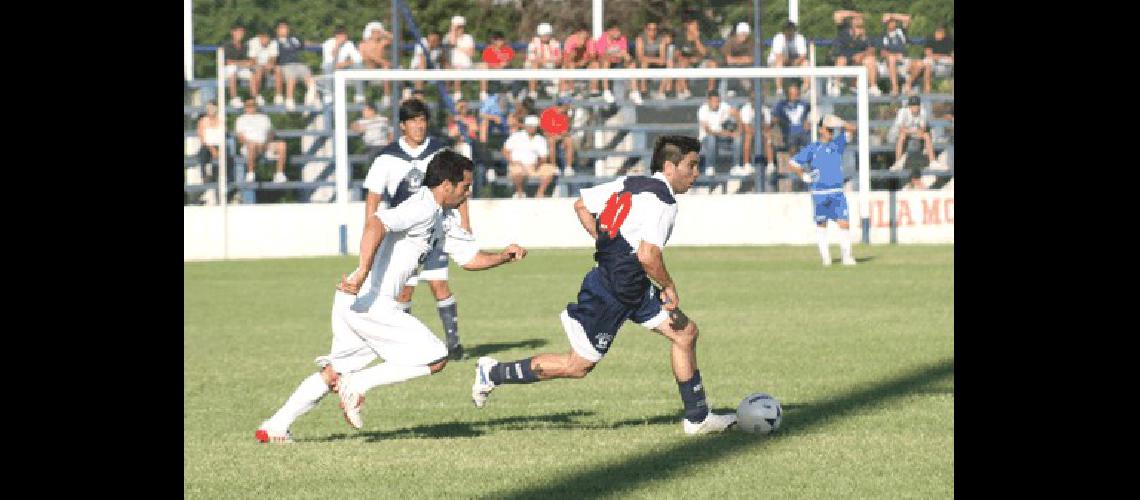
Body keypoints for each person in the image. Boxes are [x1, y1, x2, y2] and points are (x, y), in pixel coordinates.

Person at [470, 135, 738, 436]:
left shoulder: (631, 182)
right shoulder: (663, 203)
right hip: (611, 292)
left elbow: (581, 206)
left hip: (631, 285)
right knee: (577, 366)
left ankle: (697, 417)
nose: (696, 173)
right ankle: (493, 372)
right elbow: (649, 256)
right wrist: (669, 286)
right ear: (670, 166)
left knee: (685, 334)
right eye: (691, 165)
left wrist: (609, 246)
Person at [255, 151, 529, 442]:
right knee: (436, 357)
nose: (468, 193)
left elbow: (470, 258)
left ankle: (275, 426)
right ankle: (358, 384)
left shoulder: (443, 217)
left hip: (355, 302)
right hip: (371, 302)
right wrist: (362, 272)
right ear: (447, 185)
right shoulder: (422, 207)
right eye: (465, 186)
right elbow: (376, 222)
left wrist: (503, 257)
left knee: (334, 372)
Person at [366, 99, 473, 361]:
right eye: (413, 121)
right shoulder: (387, 158)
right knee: (404, 291)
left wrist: (465, 222)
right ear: (402, 125)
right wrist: (369, 233)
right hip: (403, 237)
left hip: (436, 230)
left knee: (439, 284)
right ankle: (400, 346)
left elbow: (460, 191)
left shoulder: (440, 153)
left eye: (423, 120)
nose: (419, 126)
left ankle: (454, 345)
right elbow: (373, 199)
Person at [785, 115, 859, 266]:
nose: (830, 132)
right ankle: (826, 258)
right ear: (820, 130)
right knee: (821, 224)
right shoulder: (813, 148)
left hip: (837, 191)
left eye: (831, 130)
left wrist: (840, 122)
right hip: (819, 193)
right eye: (827, 129)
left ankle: (847, 256)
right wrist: (803, 175)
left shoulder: (837, 145)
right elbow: (792, 163)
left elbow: (853, 129)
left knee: (844, 223)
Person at [234, 98, 288, 183]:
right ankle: (250, 173)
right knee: (252, 145)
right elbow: (240, 138)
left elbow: (270, 133)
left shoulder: (264, 117)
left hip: (265, 145)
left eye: (253, 105)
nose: (251, 108)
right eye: (248, 106)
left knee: (282, 145)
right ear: (245, 107)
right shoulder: (241, 119)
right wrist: (254, 144)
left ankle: (279, 174)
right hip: (250, 147)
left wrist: (266, 143)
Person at [504, 115, 558, 198]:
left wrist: (537, 164)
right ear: (525, 126)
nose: (531, 128)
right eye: (529, 126)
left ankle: (540, 193)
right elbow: (505, 151)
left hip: (534, 166)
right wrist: (512, 161)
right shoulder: (516, 136)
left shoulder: (540, 139)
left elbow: (543, 157)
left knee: (550, 169)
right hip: (518, 165)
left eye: (533, 126)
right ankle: (520, 193)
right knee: (517, 170)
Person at [274, 20, 319, 111]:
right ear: (277, 30)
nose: (284, 30)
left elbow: (304, 44)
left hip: (297, 63)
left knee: (309, 77)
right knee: (292, 76)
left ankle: (316, 99)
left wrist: (319, 45)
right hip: (285, 64)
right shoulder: (275, 42)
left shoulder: (293, 39)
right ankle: (289, 100)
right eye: (282, 28)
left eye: (286, 28)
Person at [831, 11, 879, 96]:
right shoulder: (844, 29)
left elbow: (872, 50)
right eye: (855, 19)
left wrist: (862, 55)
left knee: (871, 59)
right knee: (841, 60)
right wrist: (855, 14)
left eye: (860, 19)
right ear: (851, 21)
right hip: (846, 58)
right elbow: (837, 15)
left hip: (860, 59)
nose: (858, 20)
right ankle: (837, 86)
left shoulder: (867, 34)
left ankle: (873, 87)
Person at [893, 95, 935, 189]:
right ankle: (898, 162)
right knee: (902, 136)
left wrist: (915, 132)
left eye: (916, 105)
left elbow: (922, 129)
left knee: (927, 136)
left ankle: (933, 161)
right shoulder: (903, 112)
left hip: (914, 134)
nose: (915, 107)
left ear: (919, 106)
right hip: (898, 135)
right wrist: (914, 132)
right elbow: (901, 129)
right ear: (909, 106)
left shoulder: (923, 112)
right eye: (912, 105)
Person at [595, 19, 639, 104]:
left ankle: (634, 91)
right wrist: (616, 55)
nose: (618, 33)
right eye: (616, 31)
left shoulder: (622, 39)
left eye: (619, 30)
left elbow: (624, 53)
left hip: (619, 62)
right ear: (609, 31)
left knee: (631, 63)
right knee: (606, 62)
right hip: (607, 63)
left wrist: (625, 57)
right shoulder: (602, 39)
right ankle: (606, 91)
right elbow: (602, 55)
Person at [773, 83, 811, 185]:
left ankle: (813, 171)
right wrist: (779, 124)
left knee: (813, 144)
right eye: (792, 93)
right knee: (792, 147)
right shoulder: (781, 105)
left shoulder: (804, 104)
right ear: (788, 94)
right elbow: (775, 118)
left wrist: (808, 121)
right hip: (789, 132)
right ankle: (799, 173)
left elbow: (811, 115)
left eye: (796, 93)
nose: (795, 95)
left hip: (804, 133)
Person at [697, 90, 741, 176]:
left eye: (718, 101)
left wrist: (739, 130)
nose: (716, 104)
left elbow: (736, 113)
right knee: (711, 139)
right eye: (714, 101)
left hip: (722, 137)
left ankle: (736, 166)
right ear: (708, 101)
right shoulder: (702, 110)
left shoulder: (723, 106)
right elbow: (708, 131)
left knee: (738, 138)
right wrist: (727, 134)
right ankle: (710, 167)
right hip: (707, 139)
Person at [673, 18, 718, 98]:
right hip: (686, 64)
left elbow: (704, 53)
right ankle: (685, 91)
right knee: (682, 62)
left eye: (696, 25)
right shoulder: (681, 37)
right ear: (687, 26)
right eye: (693, 25)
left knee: (713, 64)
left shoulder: (701, 36)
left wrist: (697, 39)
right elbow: (676, 55)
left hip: (700, 63)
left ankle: (710, 92)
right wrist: (688, 59)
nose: (695, 27)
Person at [321, 25, 365, 104]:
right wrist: (337, 46)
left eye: (345, 35)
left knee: (358, 65)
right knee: (328, 66)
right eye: (342, 35)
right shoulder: (328, 43)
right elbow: (329, 60)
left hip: (344, 68)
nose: (344, 37)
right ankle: (328, 94)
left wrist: (345, 63)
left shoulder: (349, 44)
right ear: (337, 36)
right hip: (331, 68)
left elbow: (358, 59)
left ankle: (359, 94)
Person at [905, 25, 953, 95]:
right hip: (931, 61)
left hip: (943, 64)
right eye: (937, 33)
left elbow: (952, 56)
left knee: (922, 65)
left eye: (940, 33)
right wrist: (942, 56)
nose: (938, 35)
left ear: (944, 34)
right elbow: (928, 54)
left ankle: (911, 84)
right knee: (925, 65)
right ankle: (925, 89)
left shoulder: (949, 41)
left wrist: (939, 57)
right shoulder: (930, 39)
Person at [768, 20, 809, 96]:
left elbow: (803, 55)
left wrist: (795, 62)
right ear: (784, 31)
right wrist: (791, 62)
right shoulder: (778, 38)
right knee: (779, 63)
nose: (789, 32)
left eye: (791, 29)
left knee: (805, 63)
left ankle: (806, 87)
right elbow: (778, 56)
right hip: (775, 63)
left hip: (794, 62)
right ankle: (779, 89)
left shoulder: (799, 38)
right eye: (787, 30)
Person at [634, 20, 672, 100]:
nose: (652, 32)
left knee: (669, 63)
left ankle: (662, 92)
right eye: (650, 29)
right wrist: (654, 60)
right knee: (644, 64)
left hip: (655, 64)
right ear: (646, 30)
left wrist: (650, 59)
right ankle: (643, 91)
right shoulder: (640, 39)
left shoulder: (661, 39)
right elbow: (640, 57)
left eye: (655, 29)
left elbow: (663, 58)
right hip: (643, 64)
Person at [359, 21, 394, 106]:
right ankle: (361, 95)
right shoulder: (363, 45)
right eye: (375, 32)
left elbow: (394, 38)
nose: (377, 34)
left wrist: (385, 33)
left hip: (380, 68)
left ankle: (387, 96)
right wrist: (383, 62)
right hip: (367, 68)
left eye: (379, 32)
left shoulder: (382, 43)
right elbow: (368, 57)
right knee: (384, 65)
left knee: (386, 68)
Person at [561, 24, 599, 98]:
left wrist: (585, 60)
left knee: (595, 64)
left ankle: (594, 90)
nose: (584, 36)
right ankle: (572, 90)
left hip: (586, 63)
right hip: (573, 63)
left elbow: (593, 57)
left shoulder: (590, 41)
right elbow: (566, 59)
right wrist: (576, 51)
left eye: (585, 34)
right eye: (582, 34)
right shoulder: (570, 40)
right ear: (577, 33)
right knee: (570, 65)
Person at [525, 22, 563, 99]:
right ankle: (533, 93)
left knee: (563, 67)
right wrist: (548, 61)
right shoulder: (533, 44)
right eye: (544, 35)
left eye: (547, 34)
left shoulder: (555, 44)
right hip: (535, 67)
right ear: (539, 35)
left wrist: (548, 61)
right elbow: (533, 60)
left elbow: (558, 59)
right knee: (535, 66)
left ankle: (562, 94)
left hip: (551, 67)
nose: (546, 36)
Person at [352, 102, 394, 168]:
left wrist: (390, 143)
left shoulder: (383, 120)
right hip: (371, 147)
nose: (363, 112)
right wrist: (359, 128)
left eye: (365, 110)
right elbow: (354, 126)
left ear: (372, 111)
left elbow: (391, 132)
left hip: (383, 146)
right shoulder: (362, 122)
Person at [878, 13, 911, 96]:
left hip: (903, 59)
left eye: (893, 21)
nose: (892, 23)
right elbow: (882, 53)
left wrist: (892, 15)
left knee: (920, 64)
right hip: (890, 61)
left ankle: (908, 86)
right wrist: (895, 56)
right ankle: (895, 88)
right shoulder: (883, 35)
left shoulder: (900, 32)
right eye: (889, 22)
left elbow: (907, 18)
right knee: (891, 58)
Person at [445, 16, 476, 102]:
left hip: (468, 66)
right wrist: (453, 31)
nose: (459, 29)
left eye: (461, 27)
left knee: (483, 66)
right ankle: (457, 95)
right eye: (457, 27)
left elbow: (471, 53)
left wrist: (459, 46)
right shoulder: (447, 37)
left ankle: (483, 94)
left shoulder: (468, 37)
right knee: (457, 68)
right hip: (453, 67)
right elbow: (451, 43)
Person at [222, 23, 254, 108]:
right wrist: (242, 63)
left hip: (239, 69)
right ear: (233, 32)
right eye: (238, 32)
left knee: (252, 73)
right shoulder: (227, 45)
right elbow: (228, 62)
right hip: (226, 70)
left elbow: (249, 61)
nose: (240, 34)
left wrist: (243, 63)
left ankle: (253, 97)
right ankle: (234, 98)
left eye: (242, 32)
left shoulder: (244, 46)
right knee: (232, 69)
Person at [247, 26, 279, 106]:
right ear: (259, 37)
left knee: (278, 69)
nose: (265, 40)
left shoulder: (274, 42)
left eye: (267, 37)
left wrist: (270, 64)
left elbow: (273, 58)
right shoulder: (252, 42)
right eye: (263, 37)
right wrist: (262, 67)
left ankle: (279, 97)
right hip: (255, 65)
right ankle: (256, 96)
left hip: (267, 66)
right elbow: (253, 60)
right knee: (258, 70)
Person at [547, 95, 579, 176]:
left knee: (569, 140)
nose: (569, 107)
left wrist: (561, 135)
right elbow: (547, 132)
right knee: (551, 140)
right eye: (568, 105)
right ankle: (553, 167)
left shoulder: (566, 115)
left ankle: (568, 168)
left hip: (561, 137)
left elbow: (565, 131)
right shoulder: (550, 114)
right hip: (551, 137)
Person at [721, 22, 755, 96]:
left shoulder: (750, 43)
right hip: (728, 67)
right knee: (733, 68)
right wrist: (742, 59)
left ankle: (751, 91)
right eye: (742, 34)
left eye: (745, 34)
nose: (744, 36)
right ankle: (731, 89)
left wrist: (737, 60)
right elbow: (729, 60)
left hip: (745, 67)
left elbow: (752, 59)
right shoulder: (730, 42)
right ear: (737, 33)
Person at [196, 101, 224, 182]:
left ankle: (220, 177)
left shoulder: (221, 120)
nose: (211, 110)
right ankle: (204, 176)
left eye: (213, 108)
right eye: (209, 108)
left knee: (225, 154)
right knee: (203, 152)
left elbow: (222, 136)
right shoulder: (202, 121)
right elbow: (202, 138)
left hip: (218, 145)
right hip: (207, 145)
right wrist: (212, 149)